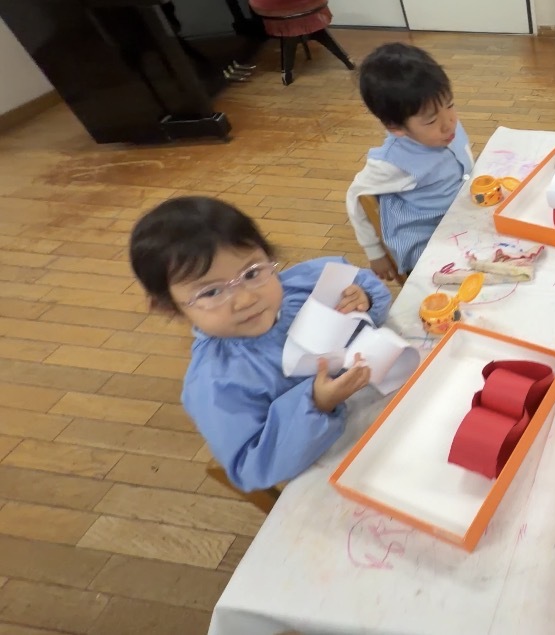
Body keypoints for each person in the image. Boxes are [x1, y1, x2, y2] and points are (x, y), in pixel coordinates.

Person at [129, 196, 392, 492]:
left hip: (390, 408)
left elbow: (366, 284)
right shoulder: (216, 383)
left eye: (252, 273)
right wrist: (317, 404)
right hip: (341, 465)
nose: (245, 299)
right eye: (211, 292)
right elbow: (252, 466)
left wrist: (364, 300)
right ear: (170, 308)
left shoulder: (304, 286)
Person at [346, 42, 474, 282]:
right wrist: (375, 253)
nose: (449, 123)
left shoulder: (445, 126)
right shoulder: (392, 163)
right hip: (427, 246)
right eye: (431, 120)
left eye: (450, 105)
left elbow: (463, 160)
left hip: (462, 219)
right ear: (395, 127)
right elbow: (356, 197)